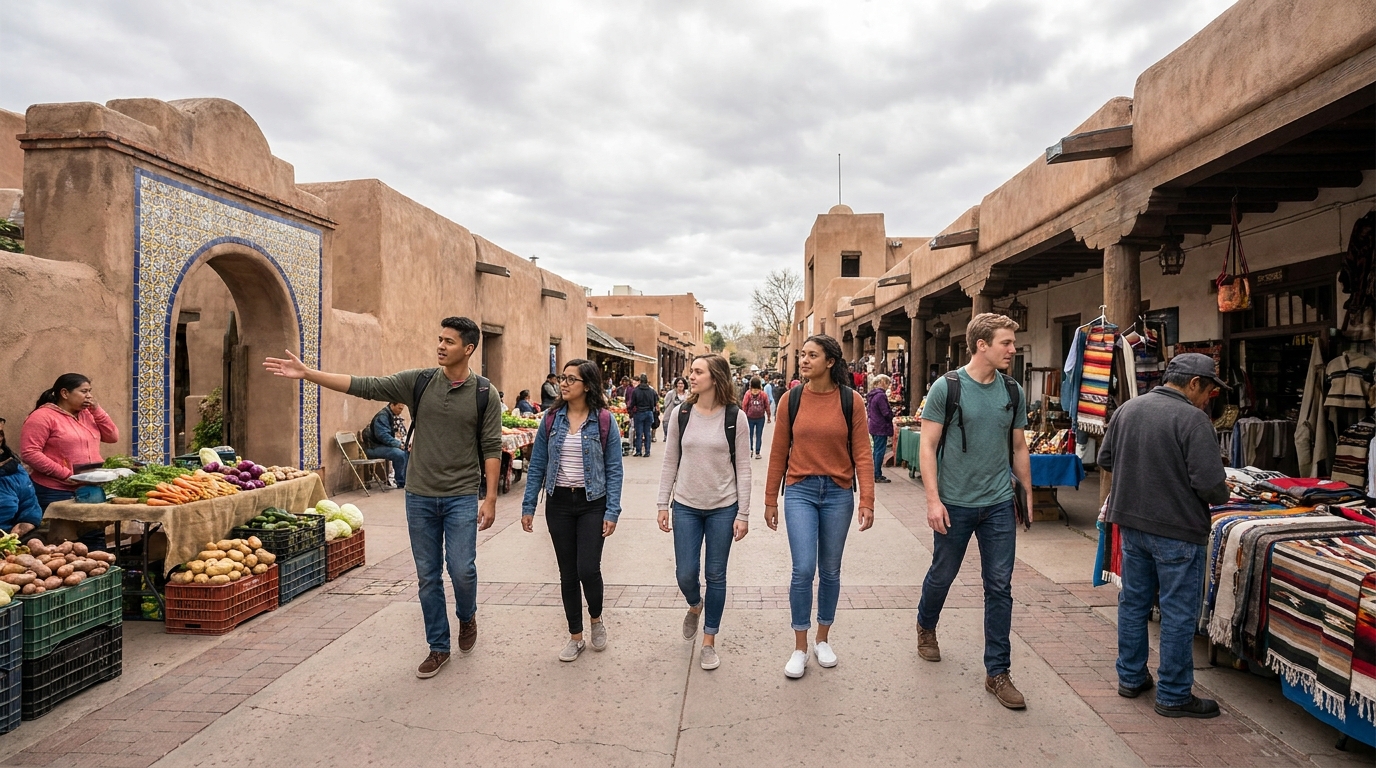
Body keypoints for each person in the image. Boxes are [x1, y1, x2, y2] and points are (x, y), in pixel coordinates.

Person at [264, 316, 501, 680]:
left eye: (449, 341)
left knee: (462, 570)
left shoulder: (485, 393)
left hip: (460, 497)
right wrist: (308, 373)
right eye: (439, 339)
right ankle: (438, 647)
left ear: (468, 349)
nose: (440, 346)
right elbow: (365, 385)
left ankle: (467, 617)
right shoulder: (419, 382)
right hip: (420, 496)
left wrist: (490, 499)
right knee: (427, 575)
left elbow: (491, 447)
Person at [1099, 353, 1230, 719]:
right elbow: (1212, 487)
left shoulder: (1128, 409)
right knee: (1177, 612)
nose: (1209, 399)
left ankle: (1130, 677)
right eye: (1209, 391)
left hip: (1133, 525)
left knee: (1134, 603)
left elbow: (1106, 459)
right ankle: (1173, 694)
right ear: (1193, 384)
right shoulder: (1193, 419)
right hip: (1176, 530)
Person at [916, 313, 1032, 710]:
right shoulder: (946, 388)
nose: (1012, 349)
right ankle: (926, 626)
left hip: (998, 502)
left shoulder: (1012, 391)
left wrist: (1027, 495)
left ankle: (997, 672)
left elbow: (1018, 447)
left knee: (999, 587)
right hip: (955, 503)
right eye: (1006, 343)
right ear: (982, 345)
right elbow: (927, 446)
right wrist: (933, 500)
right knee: (943, 574)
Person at [764, 335, 874, 679]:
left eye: (812, 355)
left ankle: (822, 639)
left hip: (839, 493)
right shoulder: (790, 399)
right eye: (803, 355)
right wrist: (770, 499)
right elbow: (778, 450)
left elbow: (863, 453)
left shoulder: (851, 401)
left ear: (830, 362)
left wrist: (867, 499)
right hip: (800, 491)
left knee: (830, 570)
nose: (804, 360)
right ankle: (799, 646)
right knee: (802, 569)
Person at [521, 359, 624, 662]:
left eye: (571, 379)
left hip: (593, 503)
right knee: (568, 573)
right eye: (563, 378)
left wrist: (612, 510)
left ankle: (595, 617)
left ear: (588, 385)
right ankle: (575, 636)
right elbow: (538, 463)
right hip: (560, 503)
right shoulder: (552, 419)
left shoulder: (604, 420)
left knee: (588, 569)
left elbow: (615, 469)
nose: (563, 383)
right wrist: (529, 505)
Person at [658, 354, 751, 670]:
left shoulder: (734, 417)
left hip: (723, 508)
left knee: (716, 574)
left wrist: (744, 513)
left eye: (698, 372)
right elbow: (670, 460)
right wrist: (662, 504)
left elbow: (744, 468)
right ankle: (694, 604)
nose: (691, 377)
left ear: (715, 378)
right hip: (685, 505)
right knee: (685, 573)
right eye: (691, 371)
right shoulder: (681, 413)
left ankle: (709, 641)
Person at [21, 373, 119, 512]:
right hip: (55, 490)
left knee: (93, 531)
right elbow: (30, 453)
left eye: (90, 391)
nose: (89, 396)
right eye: (84, 391)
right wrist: (65, 475)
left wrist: (97, 411)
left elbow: (112, 437)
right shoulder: (42, 416)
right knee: (61, 532)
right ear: (65, 393)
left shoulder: (88, 414)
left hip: (90, 488)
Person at [0, 418, 41, 537]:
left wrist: (27, 522)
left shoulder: (15, 472)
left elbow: (28, 503)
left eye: (0, 434)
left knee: (35, 539)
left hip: (6, 534)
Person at [365, 402, 409, 489]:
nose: (401, 411)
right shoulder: (382, 416)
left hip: (381, 445)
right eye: (399, 408)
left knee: (407, 451)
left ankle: (406, 480)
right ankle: (401, 482)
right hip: (374, 447)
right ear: (392, 405)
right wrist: (399, 444)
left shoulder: (391, 415)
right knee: (399, 454)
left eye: (402, 409)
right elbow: (383, 436)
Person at [866, 375, 895, 484]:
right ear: (882, 382)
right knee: (879, 451)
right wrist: (891, 414)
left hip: (874, 425)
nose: (888, 386)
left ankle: (875, 472)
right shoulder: (881, 396)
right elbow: (886, 413)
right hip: (880, 427)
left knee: (876, 450)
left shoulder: (872, 395)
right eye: (887, 383)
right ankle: (877, 474)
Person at [628, 374, 659, 458]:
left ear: (640, 381)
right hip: (649, 412)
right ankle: (647, 451)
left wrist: (630, 410)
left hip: (639, 413)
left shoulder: (636, 391)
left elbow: (632, 403)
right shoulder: (651, 391)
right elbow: (655, 402)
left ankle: (638, 451)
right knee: (647, 432)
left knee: (639, 433)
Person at [741, 376, 771, 460]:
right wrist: (768, 416)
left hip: (749, 417)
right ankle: (757, 452)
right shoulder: (763, 394)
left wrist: (744, 416)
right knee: (759, 435)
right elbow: (767, 406)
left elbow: (744, 405)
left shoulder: (748, 394)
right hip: (760, 418)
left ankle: (750, 450)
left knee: (749, 435)